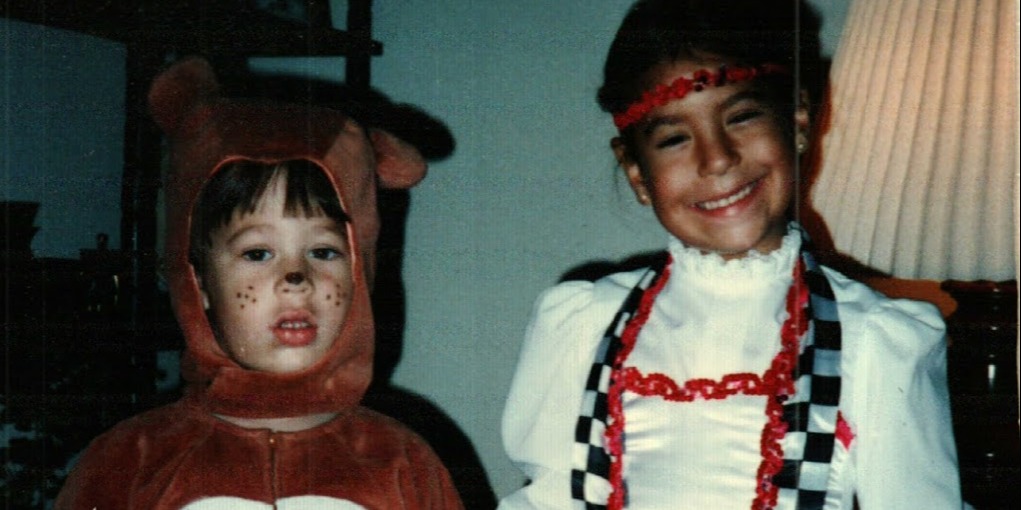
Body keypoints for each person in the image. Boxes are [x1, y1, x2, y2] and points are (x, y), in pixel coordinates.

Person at [499, 1, 965, 508]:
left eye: (741, 117)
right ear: (635, 171)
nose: (717, 158)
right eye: (675, 138)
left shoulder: (875, 342)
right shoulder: (584, 326)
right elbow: (547, 498)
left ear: (799, 119)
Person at [55, 57, 463, 509]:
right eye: (257, 253)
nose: (296, 280)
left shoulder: (402, 462)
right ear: (198, 280)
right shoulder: (130, 459)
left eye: (323, 252)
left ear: (360, 271)